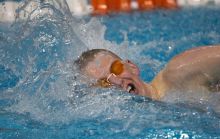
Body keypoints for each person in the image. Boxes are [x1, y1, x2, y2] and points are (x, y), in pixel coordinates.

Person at [75, 45, 220, 100]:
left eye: (116, 69)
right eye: (104, 83)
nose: (117, 81)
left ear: (132, 67)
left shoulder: (179, 71)